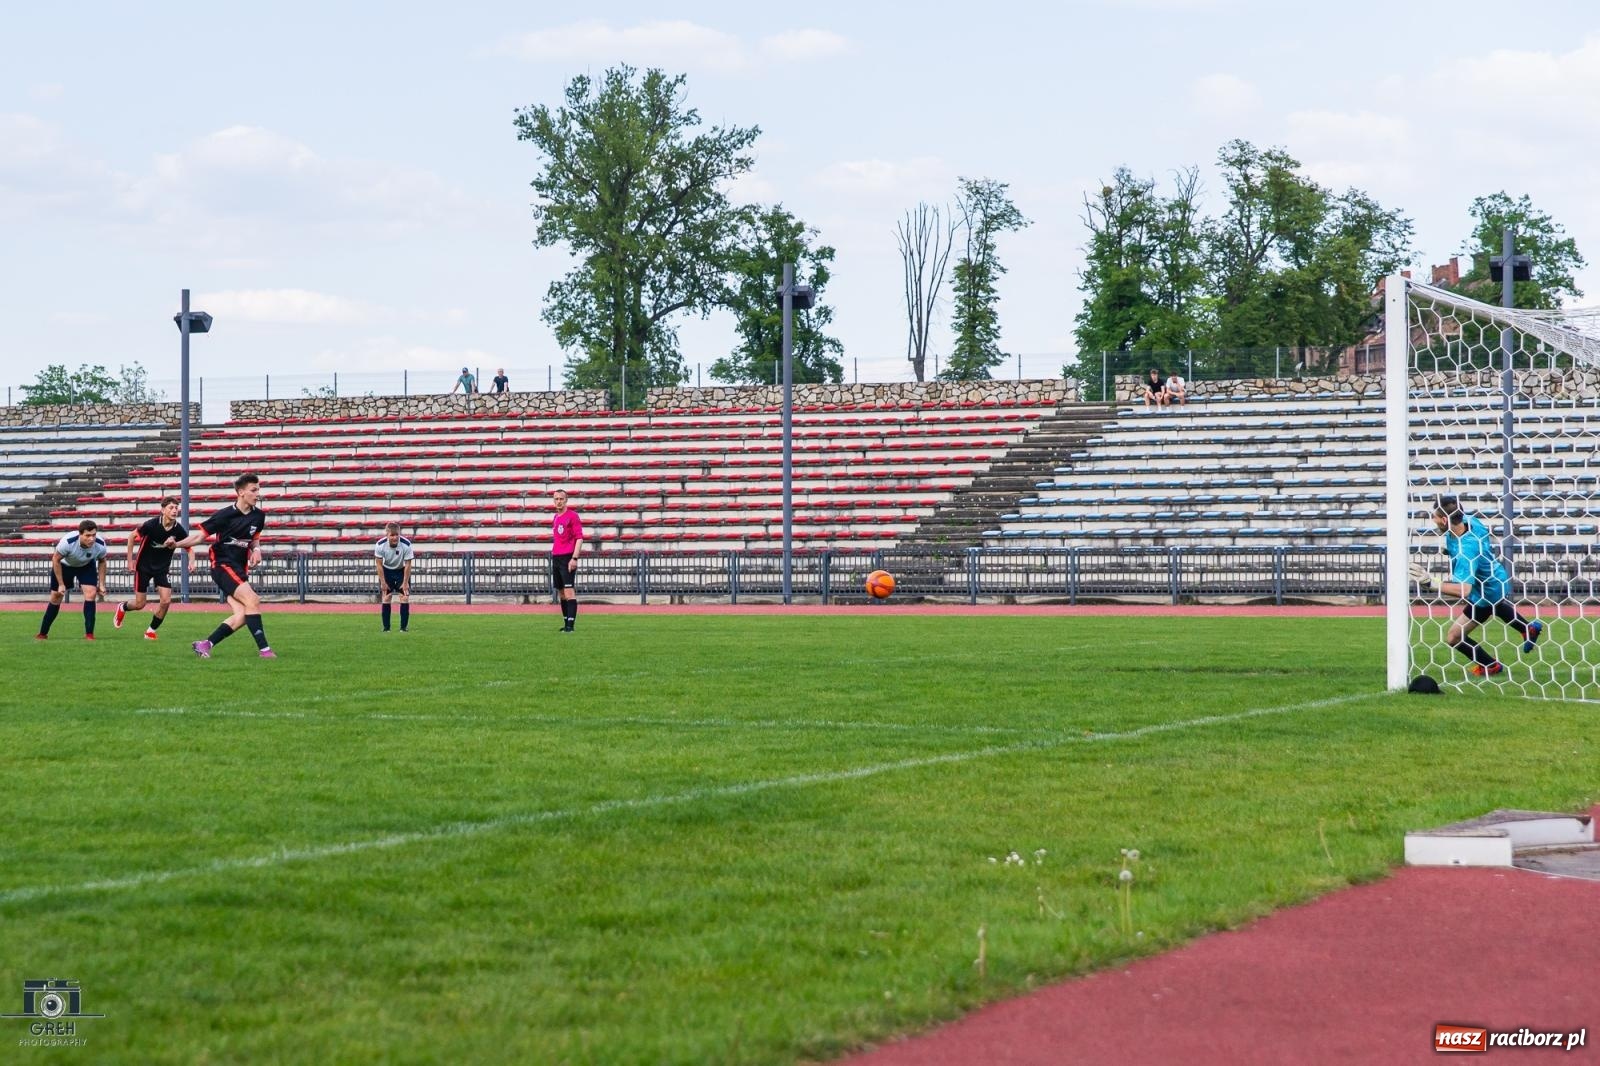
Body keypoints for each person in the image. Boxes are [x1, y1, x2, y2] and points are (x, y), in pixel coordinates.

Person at [1411, 496, 1543, 677]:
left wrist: (1431, 583)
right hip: (1495, 577)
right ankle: (1528, 629)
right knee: (1496, 607)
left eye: (1435, 516)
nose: (1432, 520)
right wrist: (1450, 549)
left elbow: (1464, 590)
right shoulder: (1471, 521)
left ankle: (1490, 664)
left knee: (1453, 637)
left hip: (1485, 590)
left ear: (1444, 520)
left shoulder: (1467, 551)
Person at [172, 473, 275, 659]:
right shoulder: (224, 515)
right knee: (253, 600)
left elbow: (255, 539)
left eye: (258, 489)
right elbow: (199, 537)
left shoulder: (259, 516)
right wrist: (176, 544)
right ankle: (265, 651)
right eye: (254, 490)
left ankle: (205, 644)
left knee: (243, 613)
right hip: (222, 565)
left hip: (239, 567)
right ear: (241, 492)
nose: (258, 493)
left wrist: (257, 550)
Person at [115, 496, 188, 640]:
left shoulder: (178, 530)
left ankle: (150, 631)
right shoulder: (151, 524)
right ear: (163, 510)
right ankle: (122, 607)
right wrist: (130, 561)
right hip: (143, 567)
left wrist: (192, 560)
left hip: (162, 569)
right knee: (140, 604)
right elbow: (131, 537)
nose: (174, 511)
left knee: (166, 601)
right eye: (171, 508)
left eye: (176, 508)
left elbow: (188, 546)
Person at [37, 519, 107, 640]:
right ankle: (43, 633)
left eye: (94, 535)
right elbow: (56, 560)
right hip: (64, 566)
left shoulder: (100, 544)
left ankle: (89, 635)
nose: (92, 538)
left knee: (91, 594)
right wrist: (60, 584)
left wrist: (101, 584)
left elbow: (102, 561)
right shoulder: (68, 542)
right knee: (56, 597)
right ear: (80, 534)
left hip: (86, 566)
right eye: (87, 535)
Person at [551, 489, 584, 633]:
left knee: (569, 591)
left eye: (561, 499)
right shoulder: (555, 517)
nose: (559, 501)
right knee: (561, 592)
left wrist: (574, 558)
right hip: (556, 557)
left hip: (567, 557)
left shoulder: (573, 516)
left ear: (566, 500)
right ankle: (566, 623)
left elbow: (579, 538)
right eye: (556, 499)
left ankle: (570, 627)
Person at [375, 522, 415, 632]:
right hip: (386, 571)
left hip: (401, 571)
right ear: (387, 535)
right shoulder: (380, 545)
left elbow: (408, 564)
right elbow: (378, 564)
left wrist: (405, 582)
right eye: (392, 535)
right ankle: (386, 628)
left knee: (404, 597)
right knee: (387, 598)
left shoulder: (406, 544)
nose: (395, 537)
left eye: (397, 534)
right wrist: (383, 582)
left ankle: (403, 628)